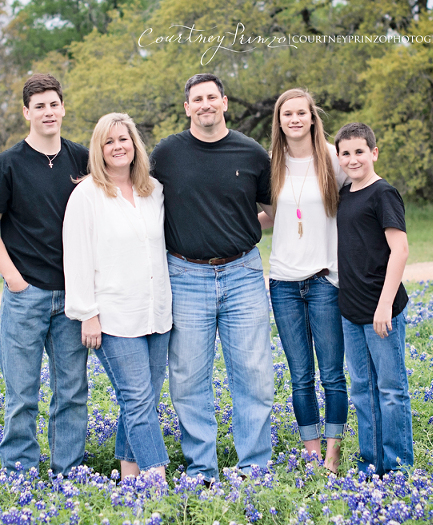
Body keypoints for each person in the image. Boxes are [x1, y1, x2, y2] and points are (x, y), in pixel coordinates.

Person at [149, 73, 274, 481]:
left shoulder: (251, 151)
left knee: (253, 373)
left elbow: (274, 209)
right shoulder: (166, 153)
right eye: (196, 99)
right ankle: (201, 468)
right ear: (187, 107)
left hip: (242, 272)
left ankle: (254, 466)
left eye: (211, 97)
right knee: (188, 378)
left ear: (224, 102)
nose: (205, 104)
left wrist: (242, 225)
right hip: (186, 274)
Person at [0, 73, 89, 475]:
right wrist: (14, 280)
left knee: (72, 391)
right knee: (22, 393)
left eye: (53, 104)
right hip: (27, 294)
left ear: (63, 108)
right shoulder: (7, 164)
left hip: (73, 296)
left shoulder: (81, 158)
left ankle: (68, 470)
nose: (48, 112)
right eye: (39, 106)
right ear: (26, 112)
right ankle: (20, 473)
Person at [63, 113, 171, 480]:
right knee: (138, 400)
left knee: (142, 400)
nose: (117, 147)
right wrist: (87, 313)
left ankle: (129, 476)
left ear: (134, 144)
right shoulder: (86, 195)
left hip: (156, 312)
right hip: (113, 315)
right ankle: (157, 480)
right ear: (98, 149)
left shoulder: (153, 191)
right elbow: (76, 257)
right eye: (108, 142)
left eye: (123, 139)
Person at [257, 88, 348, 474]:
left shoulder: (332, 157)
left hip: (325, 279)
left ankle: (332, 455)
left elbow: (357, 199)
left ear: (312, 117)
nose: (294, 119)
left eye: (301, 113)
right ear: (278, 121)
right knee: (300, 377)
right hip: (283, 282)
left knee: (332, 375)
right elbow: (273, 215)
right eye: (287, 114)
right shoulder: (270, 163)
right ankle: (311, 453)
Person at [334, 122, 413, 477]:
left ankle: (397, 468)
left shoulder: (383, 193)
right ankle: (371, 463)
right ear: (338, 157)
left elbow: (400, 249)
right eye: (346, 153)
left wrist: (384, 304)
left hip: (382, 308)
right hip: (351, 308)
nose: (353, 159)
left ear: (374, 153)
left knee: (391, 390)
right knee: (363, 390)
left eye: (360, 151)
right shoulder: (345, 194)